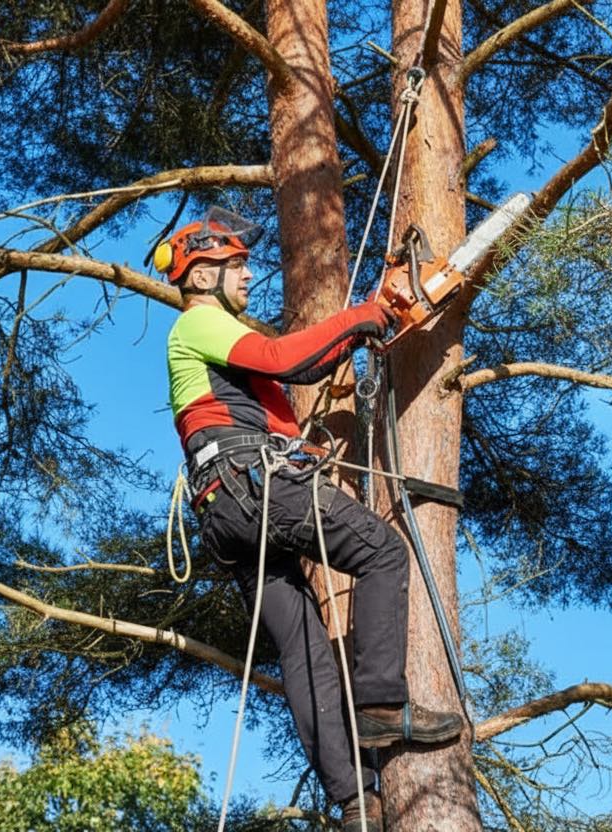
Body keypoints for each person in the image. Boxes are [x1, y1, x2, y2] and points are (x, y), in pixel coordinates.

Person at [158, 207, 463, 832]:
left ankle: (355, 800)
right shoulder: (200, 322)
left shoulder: (214, 353)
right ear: (203, 275)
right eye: (236, 265)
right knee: (381, 551)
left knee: (301, 645)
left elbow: (291, 376)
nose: (249, 275)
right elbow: (284, 358)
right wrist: (363, 315)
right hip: (252, 485)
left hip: (225, 511)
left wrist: (361, 332)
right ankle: (381, 703)